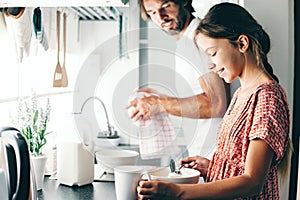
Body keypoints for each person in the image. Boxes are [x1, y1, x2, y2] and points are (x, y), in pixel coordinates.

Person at [137, 2, 292, 199]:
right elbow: (240, 168)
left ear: (242, 44)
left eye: (212, 53)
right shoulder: (241, 94)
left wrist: (177, 191)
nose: (210, 65)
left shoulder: (268, 97)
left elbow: (252, 182)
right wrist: (212, 167)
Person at [127, 0, 229, 157]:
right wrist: (162, 100)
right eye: (152, 12)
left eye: (166, 6)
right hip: (208, 156)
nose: (161, 18)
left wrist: (160, 104)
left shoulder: (197, 38)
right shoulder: (188, 40)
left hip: (216, 155)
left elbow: (216, 104)